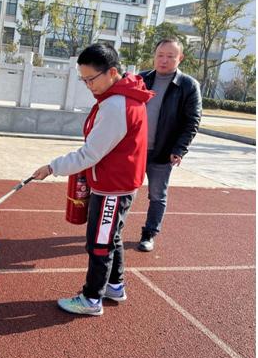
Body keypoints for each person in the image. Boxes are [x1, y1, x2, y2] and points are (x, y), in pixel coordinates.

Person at [32, 43, 154, 316]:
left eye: (91, 79)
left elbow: (90, 153)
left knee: (99, 243)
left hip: (113, 187)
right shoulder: (123, 96)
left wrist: (51, 167)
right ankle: (114, 285)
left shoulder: (116, 105)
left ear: (112, 72)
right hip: (116, 182)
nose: (87, 85)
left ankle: (91, 299)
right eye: (83, 79)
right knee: (112, 237)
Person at [137, 38, 202, 252]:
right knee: (124, 191)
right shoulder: (141, 79)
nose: (164, 60)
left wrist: (179, 149)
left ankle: (149, 234)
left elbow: (192, 121)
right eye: (160, 55)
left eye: (170, 56)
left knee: (157, 195)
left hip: (163, 152)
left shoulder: (188, 85)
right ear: (154, 56)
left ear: (180, 58)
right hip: (134, 151)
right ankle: (114, 230)